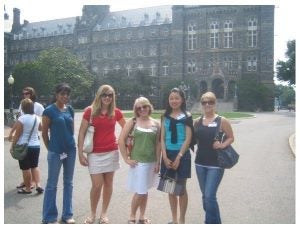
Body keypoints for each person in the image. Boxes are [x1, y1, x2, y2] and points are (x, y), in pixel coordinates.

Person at [77, 84, 126, 224]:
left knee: (109, 184)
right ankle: (92, 214)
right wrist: (80, 154)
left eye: (110, 95)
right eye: (104, 95)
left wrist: (123, 140)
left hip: (111, 152)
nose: (107, 97)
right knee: (97, 185)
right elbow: (81, 133)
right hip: (95, 154)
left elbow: (127, 127)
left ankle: (104, 213)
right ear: (99, 96)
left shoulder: (115, 112)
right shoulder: (90, 111)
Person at [193, 91, 234, 224]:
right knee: (205, 196)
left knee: (210, 196)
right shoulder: (197, 122)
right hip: (200, 163)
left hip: (216, 164)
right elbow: (190, 139)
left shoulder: (222, 120)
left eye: (210, 102)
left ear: (215, 104)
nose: (207, 104)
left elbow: (231, 137)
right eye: (204, 102)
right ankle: (214, 222)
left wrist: (222, 145)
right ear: (201, 104)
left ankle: (210, 223)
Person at [119, 97, 161, 224]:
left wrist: (158, 162)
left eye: (144, 106)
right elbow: (121, 140)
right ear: (136, 110)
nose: (142, 109)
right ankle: (132, 216)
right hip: (138, 162)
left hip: (151, 161)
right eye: (139, 108)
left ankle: (142, 216)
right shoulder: (132, 122)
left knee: (145, 190)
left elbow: (158, 144)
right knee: (140, 190)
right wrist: (126, 159)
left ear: (149, 107)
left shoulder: (156, 123)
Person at [41, 83, 76, 224]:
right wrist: (51, 148)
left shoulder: (70, 109)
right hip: (56, 152)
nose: (65, 96)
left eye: (67, 94)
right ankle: (49, 216)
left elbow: (72, 130)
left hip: (70, 150)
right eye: (62, 93)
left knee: (68, 183)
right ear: (56, 94)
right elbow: (44, 133)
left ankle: (67, 214)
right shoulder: (49, 111)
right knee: (52, 184)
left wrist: (68, 141)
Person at [159, 87, 193, 224]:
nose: (174, 101)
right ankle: (174, 220)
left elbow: (188, 138)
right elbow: (162, 138)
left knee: (181, 189)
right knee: (170, 189)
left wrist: (179, 156)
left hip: (182, 155)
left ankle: (182, 220)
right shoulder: (164, 116)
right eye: (171, 98)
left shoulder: (187, 116)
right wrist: (165, 157)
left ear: (182, 100)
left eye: (177, 98)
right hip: (168, 154)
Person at [8, 86, 44, 190]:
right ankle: (38, 184)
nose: (24, 95)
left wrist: (12, 145)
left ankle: (28, 188)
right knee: (34, 166)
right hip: (36, 145)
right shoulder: (37, 118)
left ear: (23, 108)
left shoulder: (22, 118)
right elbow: (41, 128)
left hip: (24, 145)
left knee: (25, 168)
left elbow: (18, 134)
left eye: (26, 93)